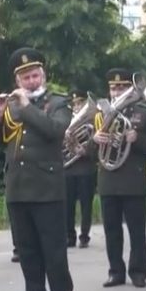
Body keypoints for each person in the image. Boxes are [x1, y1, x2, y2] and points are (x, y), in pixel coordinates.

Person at [0, 47, 76, 291]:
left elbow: (55, 131)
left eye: (35, 75)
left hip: (47, 187)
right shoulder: (11, 106)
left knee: (54, 250)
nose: (32, 81)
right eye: (26, 78)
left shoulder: (58, 103)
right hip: (19, 186)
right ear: (17, 81)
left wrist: (26, 107)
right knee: (27, 250)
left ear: (43, 75)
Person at [95, 69, 146, 287]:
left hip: (133, 179)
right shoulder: (99, 113)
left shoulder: (143, 112)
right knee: (111, 230)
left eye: (121, 87)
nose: (117, 91)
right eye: (113, 87)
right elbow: (85, 151)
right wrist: (95, 139)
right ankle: (115, 272)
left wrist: (137, 138)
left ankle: (138, 272)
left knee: (136, 230)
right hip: (108, 179)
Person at [64, 89, 97, 249]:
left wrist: (86, 150)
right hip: (68, 170)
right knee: (67, 205)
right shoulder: (65, 122)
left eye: (80, 103)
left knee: (86, 205)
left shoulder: (92, 122)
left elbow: (97, 143)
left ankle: (84, 236)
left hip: (86, 169)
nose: (77, 106)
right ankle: (69, 236)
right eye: (75, 104)